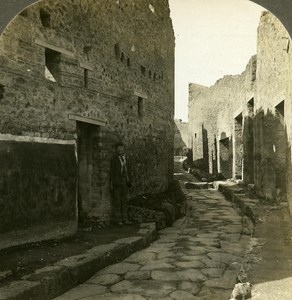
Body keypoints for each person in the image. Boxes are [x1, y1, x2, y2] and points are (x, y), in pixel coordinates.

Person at [109, 142, 133, 226]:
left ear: (124, 149)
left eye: (121, 147)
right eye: (118, 148)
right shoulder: (114, 159)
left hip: (125, 183)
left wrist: (129, 181)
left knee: (124, 201)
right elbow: (111, 172)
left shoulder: (126, 159)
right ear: (116, 149)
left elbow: (129, 171)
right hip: (117, 183)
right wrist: (111, 183)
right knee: (117, 202)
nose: (120, 149)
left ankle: (125, 219)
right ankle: (118, 220)